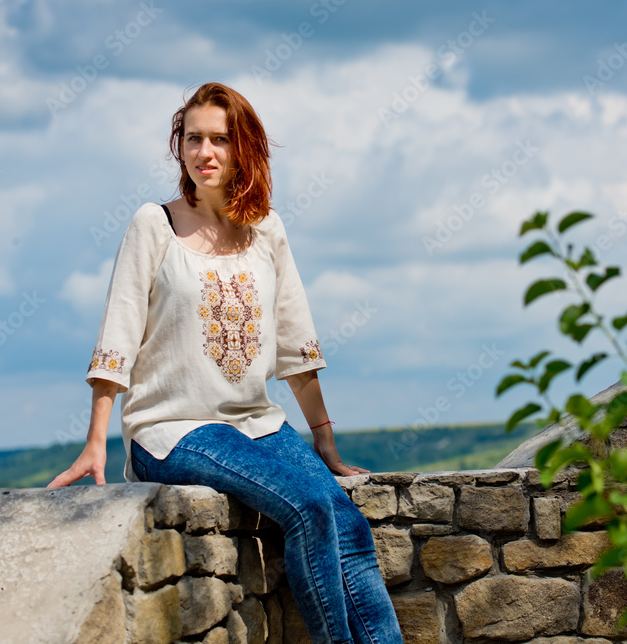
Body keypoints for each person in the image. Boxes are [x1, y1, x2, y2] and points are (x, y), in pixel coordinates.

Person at [48, 82, 403, 644]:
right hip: (172, 431)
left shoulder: (267, 230)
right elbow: (116, 335)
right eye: (193, 139)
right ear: (179, 146)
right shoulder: (154, 225)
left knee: (350, 524)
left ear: (243, 149)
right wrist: (96, 440)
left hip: (258, 423)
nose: (204, 153)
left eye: (219, 139)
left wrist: (323, 440)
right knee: (309, 509)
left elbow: (296, 347)